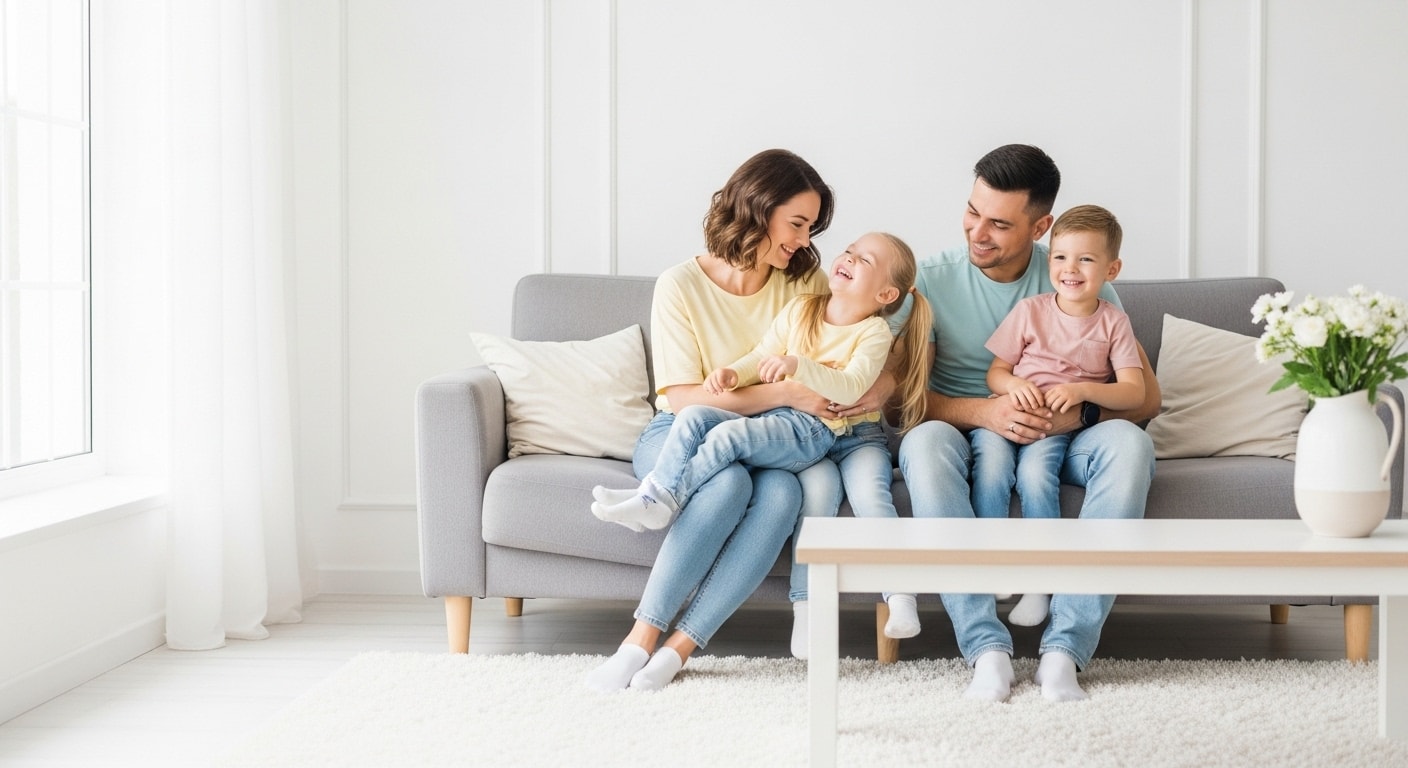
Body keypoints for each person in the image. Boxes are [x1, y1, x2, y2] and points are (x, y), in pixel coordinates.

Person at [584, 148, 887, 693]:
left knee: (782, 495)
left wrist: (865, 393)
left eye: (812, 228)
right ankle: (637, 642)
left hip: (769, 437)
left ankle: (679, 650)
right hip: (684, 429)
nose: (804, 241)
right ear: (758, 208)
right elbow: (685, 397)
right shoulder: (680, 284)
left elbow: (863, 345)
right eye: (797, 223)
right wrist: (787, 391)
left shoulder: (805, 282)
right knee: (725, 485)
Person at [890, 144, 1161, 703]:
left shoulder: (1075, 276)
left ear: (1040, 227)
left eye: (999, 223)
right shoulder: (931, 281)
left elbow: (1147, 399)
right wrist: (984, 412)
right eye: (973, 212)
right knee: (923, 443)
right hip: (965, 431)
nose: (978, 232)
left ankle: (1065, 651)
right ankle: (985, 648)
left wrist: (1077, 414)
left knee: (1130, 445)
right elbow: (900, 401)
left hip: (1066, 434)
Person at [591, 234, 936, 654]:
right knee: (717, 429)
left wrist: (797, 366)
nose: (847, 258)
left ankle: (899, 595)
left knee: (864, 495)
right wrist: (733, 374)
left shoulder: (874, 332)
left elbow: (850, 386)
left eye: (864, 260)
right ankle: (659, 498)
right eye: (849, 250)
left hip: (843, 433)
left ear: (886, 294)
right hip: (803, 425)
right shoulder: (803, 308)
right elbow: (761, 354)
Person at [971, 204, 1147, 629]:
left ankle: (1040, 583)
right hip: (1007, 415)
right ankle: (993, 563)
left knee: (1035, 476)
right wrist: (1013, 385)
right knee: (990, 467)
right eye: (1061, 257)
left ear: (1112, 269)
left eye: (1085, 259)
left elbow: (1135, 392)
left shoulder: (1114, 322)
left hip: (1055, 429)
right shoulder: (1030, 311)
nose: (1070, 269)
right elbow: (995, 373)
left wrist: (1083, 390)